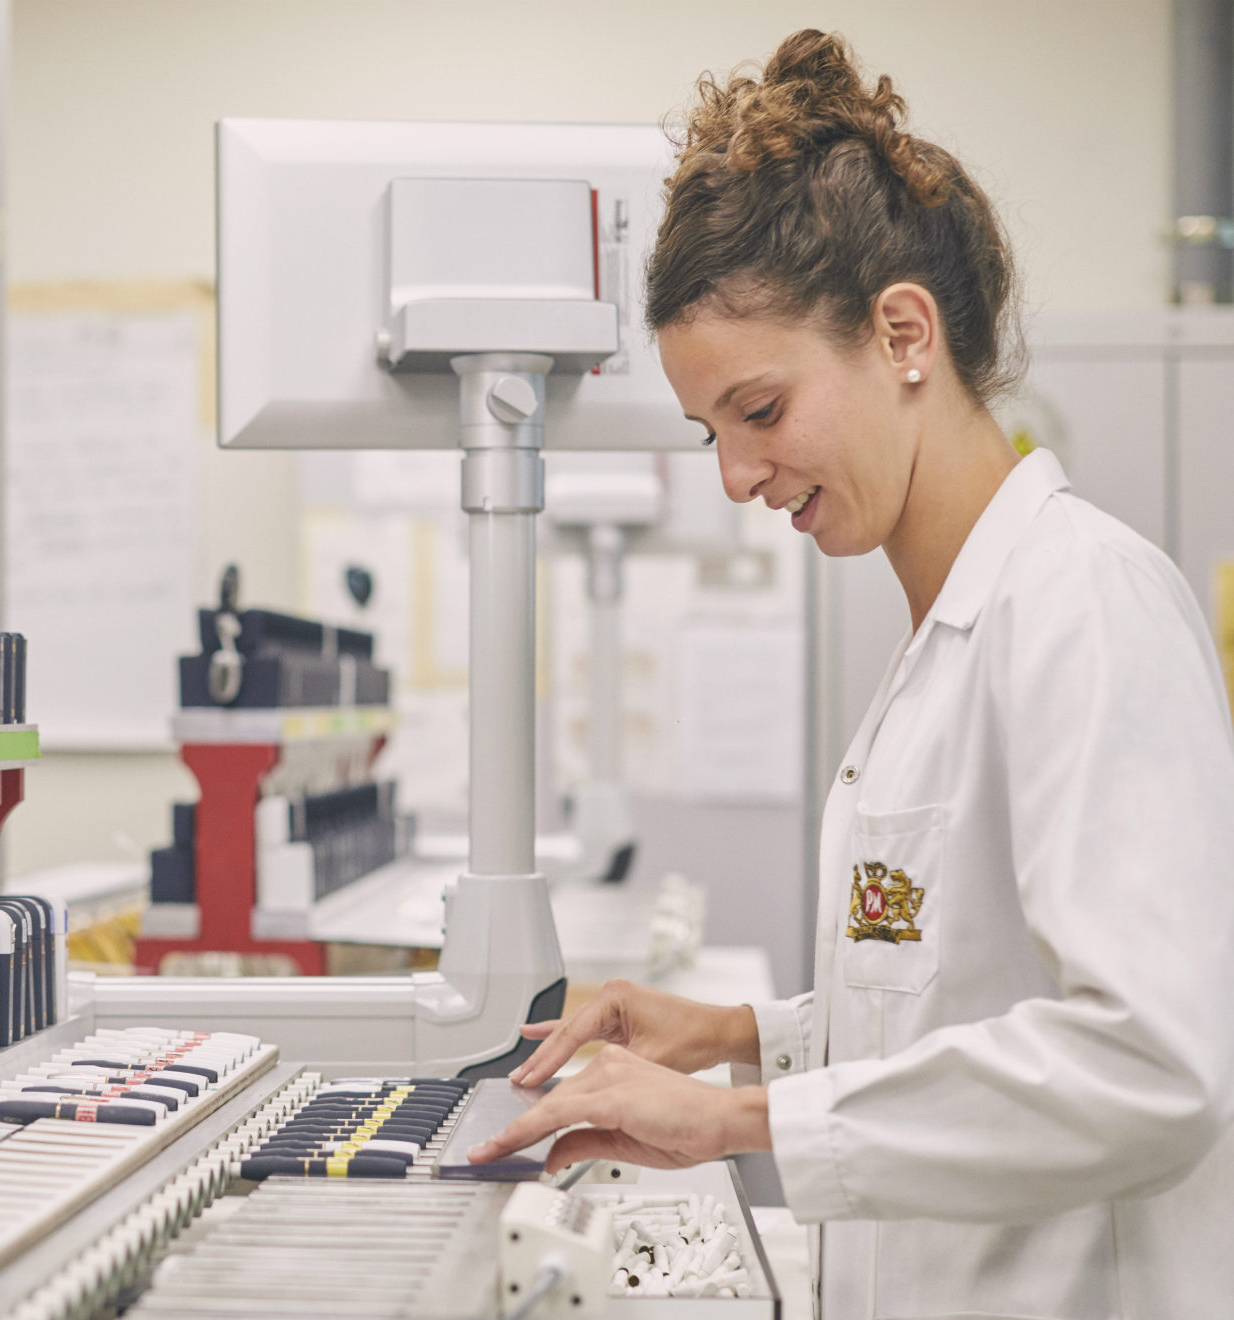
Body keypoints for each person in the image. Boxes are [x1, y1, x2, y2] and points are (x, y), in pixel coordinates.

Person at [469, 29, 1234, 1319]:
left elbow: (1151, 1067)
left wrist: (739, 1118)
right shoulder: (941, 646)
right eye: (709, 431)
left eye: (759, 413)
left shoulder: (1081, 607)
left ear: (901, 334)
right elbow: (961, 1006)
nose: (733, 476)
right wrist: (725, 1038)